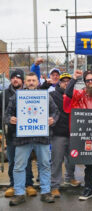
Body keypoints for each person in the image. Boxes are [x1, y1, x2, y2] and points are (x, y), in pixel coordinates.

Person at [6, 72, 59, 206]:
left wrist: (52, 119)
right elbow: (6, 115)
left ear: (38, 82)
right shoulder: (17, 97)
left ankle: (46, 192)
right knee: (19, 166)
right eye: (28, 80)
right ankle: (19, 194)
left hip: (42, 137)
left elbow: (56, 112)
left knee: (45, 165)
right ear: (25, 82)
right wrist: (10, 119)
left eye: (33, 80)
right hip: (23, 138)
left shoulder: (45, 96)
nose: (31, 83)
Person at [63, 69, 92, 201]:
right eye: (87, 80)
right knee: (89, 165)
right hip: (86, 134)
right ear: (85, 83)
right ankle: (88, 190)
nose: (90, 82)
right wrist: (74, 79)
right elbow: (67, 95)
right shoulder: (80, 95)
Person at [0, 69, 36, 197]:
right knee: (12, 160)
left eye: (18, 78)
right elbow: (2, 114)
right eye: (13, 77)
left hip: (26, 133)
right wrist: (8, 120)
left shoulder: (28, 93)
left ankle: (28, 184)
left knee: (26, 160)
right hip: (11, 134)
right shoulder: (4, 94)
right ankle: (13, 185)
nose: (15, 79)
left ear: (22, 80)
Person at [50, 73, 81, 198]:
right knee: (57, 161)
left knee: (72, 158)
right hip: (58, 134)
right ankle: (54, 185)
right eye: (64, 81)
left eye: (69, 81)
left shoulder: (75, 94)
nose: (66, 83)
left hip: (72, 132)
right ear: (59, 83)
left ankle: (70, 178)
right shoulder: (53, 95)